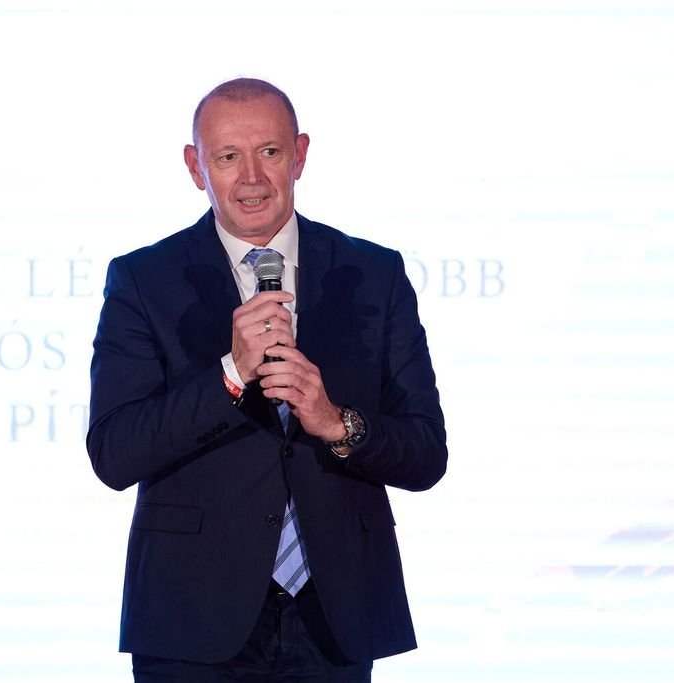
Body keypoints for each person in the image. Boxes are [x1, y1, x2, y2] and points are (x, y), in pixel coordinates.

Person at [86, 77, 447, 682]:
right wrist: (229, 376)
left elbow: (426, 455)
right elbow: (114, 453)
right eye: (228, 157)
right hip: (193, 613)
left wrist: (336, 423)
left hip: (336, 615)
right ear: (196, 167)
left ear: (300, 155)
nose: (251, 178)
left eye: (270, 152)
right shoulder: (143, 279)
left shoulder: (374, 273)